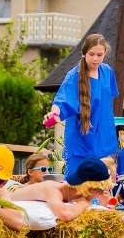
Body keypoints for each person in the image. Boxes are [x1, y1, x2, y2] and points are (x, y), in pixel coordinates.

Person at [44, 33, 119, 176]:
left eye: (99, 54)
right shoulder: (74, 75)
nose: (95, 58)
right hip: (80, 140)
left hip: (102, 138)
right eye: (91, 54)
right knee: (77, 186)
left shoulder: (108, 72)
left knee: (102, 186)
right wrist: (54, 114)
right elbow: (62, 99)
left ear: (105, 54)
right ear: (84, 53)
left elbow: (108, 98)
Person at [9, 158, 113, 223]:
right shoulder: (52, 190)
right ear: (88, 187)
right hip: (10, 189)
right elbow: (65, 215)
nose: (99, 194)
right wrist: (83, 204)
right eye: (99, 191)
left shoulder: (74, 194)